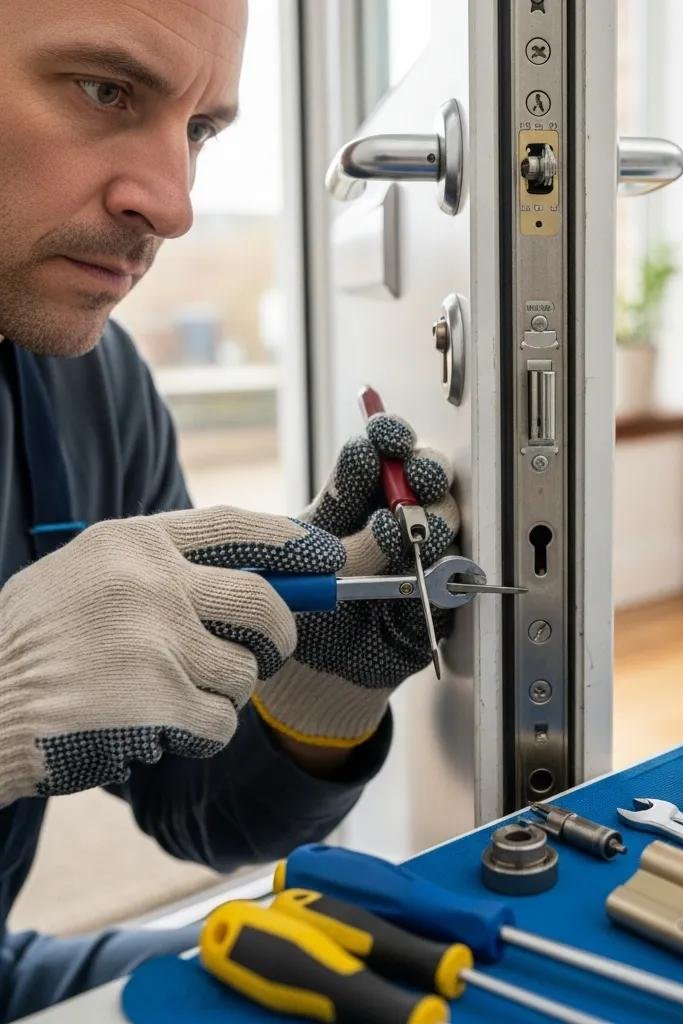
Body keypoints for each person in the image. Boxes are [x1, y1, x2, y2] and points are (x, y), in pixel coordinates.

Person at [0, 2, 459, 1018]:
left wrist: (313, 698)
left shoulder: (93, 384)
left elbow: (186, 803)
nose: (172, 202)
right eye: (103, 90)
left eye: (200, 131)